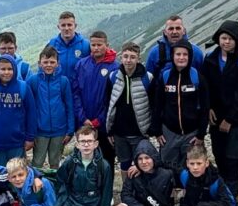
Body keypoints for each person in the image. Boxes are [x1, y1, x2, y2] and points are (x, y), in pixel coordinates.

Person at [203, 20, 238, 199]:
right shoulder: (210, 59)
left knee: (233, 158)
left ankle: (231, 197)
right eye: (223, 38)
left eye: (231, 39)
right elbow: (205, 87)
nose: (226, 42)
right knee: (219, 155)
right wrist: (208, 108)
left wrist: (230, 119)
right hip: (215, 118)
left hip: (236, 121)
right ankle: (222, 191)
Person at [149, 41, 208, 174]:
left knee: (192, 167)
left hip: (192, 133)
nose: (181, 57)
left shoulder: (197, 77)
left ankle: (189, 193)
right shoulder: (165, 76)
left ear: (190, 56)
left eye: (185, 54)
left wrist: (201, 134)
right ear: (172, 56)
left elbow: (205, 107)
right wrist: (157, 131)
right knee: (167, 167)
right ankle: (169, 193)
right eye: (178, 54)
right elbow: (157, 105)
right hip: (169, 132)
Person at [0, 55, 37, 165]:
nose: (6, 72)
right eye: (3, 69)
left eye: (10, 69)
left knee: (17, 175)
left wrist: (30, 138)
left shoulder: (23, 87)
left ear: (15, 69)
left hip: (17, 143)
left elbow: (31, 114)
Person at [105, 41, 153, 174]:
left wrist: (151, 128)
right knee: (124, 164)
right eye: (125, 56)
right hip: (119, 132)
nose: (128, 60)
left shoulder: (147, 78)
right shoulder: (113, 77)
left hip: (140, 132)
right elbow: (109, 104)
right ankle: (127, 191)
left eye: (132, 57)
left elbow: (153, 105)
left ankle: (140, 193)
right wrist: (109, 129)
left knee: (141, 164)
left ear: (139, 58)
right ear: (121, 57)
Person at [72, 30, 118, 165]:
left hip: (104, 125)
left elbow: (113, 99)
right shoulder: (81, 65)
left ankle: (106, 186)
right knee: (84, 159)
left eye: (99, 45)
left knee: (106, 159)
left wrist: (100, 120)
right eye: (93, 45)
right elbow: (76, 93)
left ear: (107, 45)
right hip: (84, 123)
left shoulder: (115, 67)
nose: (96, 48)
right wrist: (83, 118)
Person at [27, 46, 74, 170]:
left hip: (59, 130)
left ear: (58, 64)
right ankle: (36, 186)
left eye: (52, 62)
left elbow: (69, 106)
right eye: (45, 62)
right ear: (39, 63)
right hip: (40, 130)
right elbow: (27, 107)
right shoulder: (33, 81)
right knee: (37, 162)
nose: (48, 65)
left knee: (55, 162)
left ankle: (54, 187)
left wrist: (70, 130)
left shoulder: (63, 82)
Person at [48, 10, 90, 83]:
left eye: (69, 25)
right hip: (58, 90)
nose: (66, 28)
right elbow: (43, 66)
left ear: (75, 26)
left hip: (78, 91)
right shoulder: (52, 44)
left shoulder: (85, 45)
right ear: (58, 27)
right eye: (63, 25)